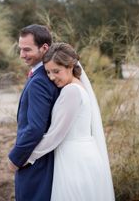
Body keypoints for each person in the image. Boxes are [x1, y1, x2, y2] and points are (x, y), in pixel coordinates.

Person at [27, 42, 115, 200]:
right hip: (83, 154)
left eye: (56, 71)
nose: (52, 77)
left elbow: (56, 135)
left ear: (70, 66)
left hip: (74, 160)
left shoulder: (71, 91)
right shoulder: (78, 87)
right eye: (48, 72)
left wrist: (28, 156)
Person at [8, 24, 60, 201]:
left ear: (44, 48)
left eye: (27, 50)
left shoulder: (40, 80)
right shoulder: (47, 75)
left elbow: (35, 128)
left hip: (35, 161)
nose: (22, 55)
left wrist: (16, 158)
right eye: (20, 49)